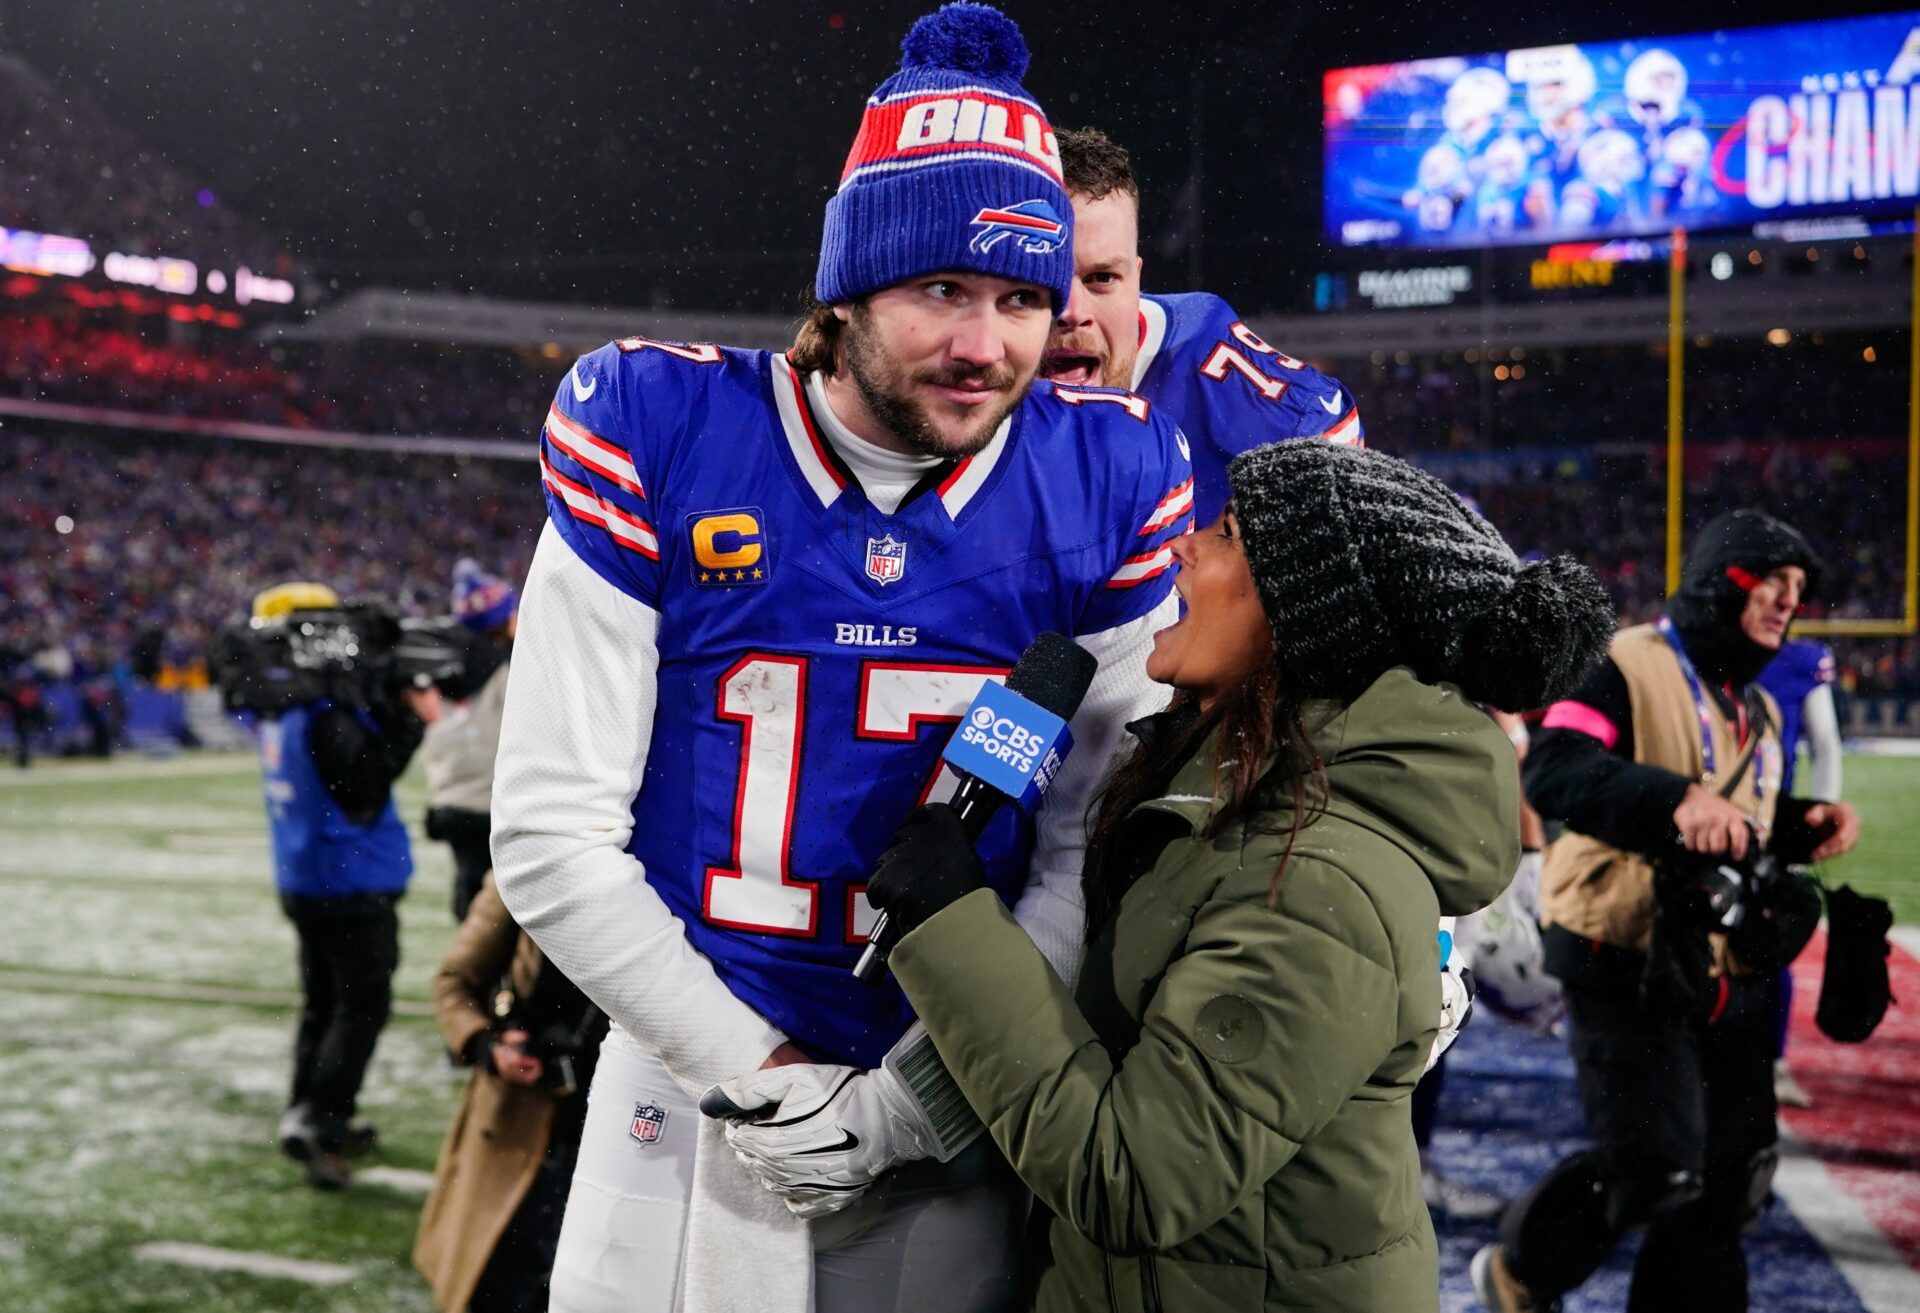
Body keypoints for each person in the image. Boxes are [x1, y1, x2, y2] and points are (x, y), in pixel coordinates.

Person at [489, 6, 1192, 1309]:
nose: (989, 345)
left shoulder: (1111, 470)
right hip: (687, 1062)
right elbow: (548, 833)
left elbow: (1099, 847)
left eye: (1024, 298)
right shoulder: (661, 424)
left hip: (963, 1075)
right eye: (943, 289)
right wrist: (761, 1075)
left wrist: (913, 1103)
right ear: (848, 283)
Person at [710, 440, 1615, 1311]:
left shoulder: (1318, 882)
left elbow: (1134, 1176)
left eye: (1226, 536)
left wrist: (954, 926)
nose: (1185, 544)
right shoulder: (1242, 799)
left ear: (1305, 617)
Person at [1474, 510, 1862, 1313]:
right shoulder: (1620, 661)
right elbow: (1555, 771)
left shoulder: (1753, 704)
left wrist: (1797, 823)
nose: (1789, 603)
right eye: (1776, 583)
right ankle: (1522, 1268)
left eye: (1799, 592)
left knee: (1732, 1183)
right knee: (1657, 1166)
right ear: (1727, 576)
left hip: (1723, 960)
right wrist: (1671, 800)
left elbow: (1730, 813)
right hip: (1622, 947)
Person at [1042, 126, 1361, 527]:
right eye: (1042, 282)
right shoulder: (957, 386)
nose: (1071, 312)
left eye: (1102, 278)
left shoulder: (1265, 418)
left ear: (1136, 282)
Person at [252, 581, 428, 1189]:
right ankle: (320, 1122)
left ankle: (310, 1111)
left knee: (323, 1004)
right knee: (359, 1008)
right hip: (348, 875)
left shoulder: (280, 703)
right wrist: (409, 721)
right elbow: (363, 787)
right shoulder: (322, 710)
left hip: (307, 873)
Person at [414, 874, 608, 1313]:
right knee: (499, 1279)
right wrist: (489, 1045)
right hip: (525, 1118)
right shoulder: (528, 869)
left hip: (627, 1132)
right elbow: (453, 982)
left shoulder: (673, 871)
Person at [1756, 635, 1842, 1107]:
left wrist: (1821, 814)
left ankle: (1773, 1060)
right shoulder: (1688, 646)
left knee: (1770, 943)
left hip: (1773, 815)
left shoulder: (1798, 661)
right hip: (1699, 811)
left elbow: (1825, 743)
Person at [418, 559, 518, 922]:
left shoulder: (430, 666)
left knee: (470, 899)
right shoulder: (512, 667)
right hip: (498, 805)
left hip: (452, 803)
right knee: (510, 912)